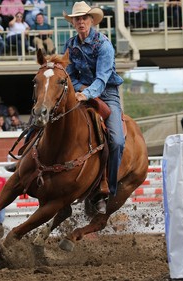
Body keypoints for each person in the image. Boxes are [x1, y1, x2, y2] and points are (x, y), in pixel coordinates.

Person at [63, 1, 126, 214]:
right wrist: (79, 90)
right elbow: (69, 74)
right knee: (54, 118)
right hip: (80, 91)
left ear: (91, 20)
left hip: (107, 94)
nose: (81, 22)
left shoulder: (104, 45)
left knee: (116, 140)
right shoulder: (70, 45)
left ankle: (108, 189)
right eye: (77, 19)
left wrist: (85, 93)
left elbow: (102, 79)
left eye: (84, 18)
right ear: (73, 22)